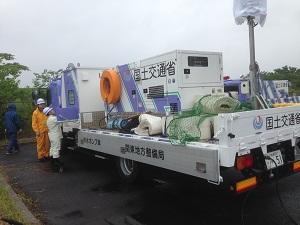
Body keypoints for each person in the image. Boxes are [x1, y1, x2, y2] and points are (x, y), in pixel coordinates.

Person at [43, 107, 64, 171]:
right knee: (56, 148)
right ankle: (56, 163)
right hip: (55, 135)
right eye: (51, 110)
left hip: (52, 135)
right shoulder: (53, 118)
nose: (53, 110)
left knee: (52, 148)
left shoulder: (49, 119)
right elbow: (62, 122)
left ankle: (52, 160)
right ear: (49, 112)